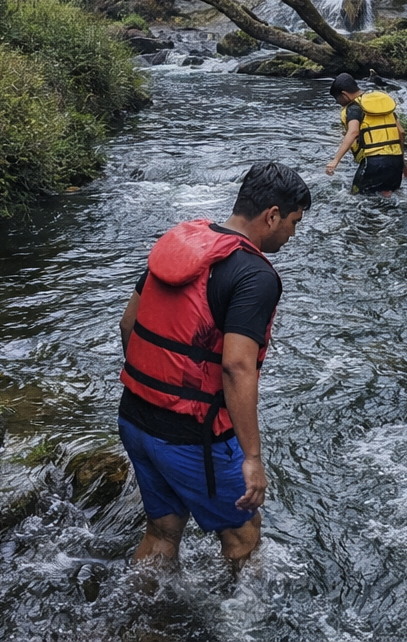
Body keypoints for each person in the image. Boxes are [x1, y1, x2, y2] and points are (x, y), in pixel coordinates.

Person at [117, 161, 311, 565]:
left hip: (134, 417)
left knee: (162, 532)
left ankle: (141, 618)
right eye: (293, 222)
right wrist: (252, 459)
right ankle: (241, 624)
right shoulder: (254, 275)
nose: (292, 234)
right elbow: (236, 367)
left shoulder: (180, 244)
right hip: (190, 436)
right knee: (243, 535)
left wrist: (153, 385)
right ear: (271, 215)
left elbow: (128, 323)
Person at [324, 72, 406, 195]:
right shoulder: (382, 103)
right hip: (396, 161)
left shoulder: (354, 107)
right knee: (387, 197)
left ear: (344, 94)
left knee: (356, 198)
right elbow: (401, 132)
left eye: (338, 99)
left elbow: (353, 132)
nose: (338, 103)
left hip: (373, 163)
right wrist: (402, 162)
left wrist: (335, 161)